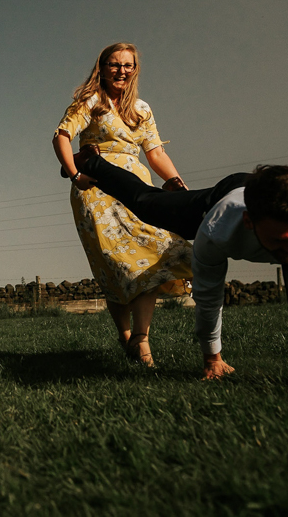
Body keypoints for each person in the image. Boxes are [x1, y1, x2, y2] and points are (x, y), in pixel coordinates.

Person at [70, 147, 288, 402]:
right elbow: (208, 295)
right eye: (280, 240)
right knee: (147, 206)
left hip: (263, 190)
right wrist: (212, 358)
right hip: (218, 200)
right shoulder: (217, 229)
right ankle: (92, 162)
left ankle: (177, 195)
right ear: (249, 223)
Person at [52, 43, 192, 366]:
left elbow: (155, 153)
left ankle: (141, 339)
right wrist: (75, 175)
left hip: (137, 189)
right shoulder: (91, 102)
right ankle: (126, 337)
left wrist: (177, 184)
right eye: (114, 65)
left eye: (128, 65)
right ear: (101, 69)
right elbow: (61, 136)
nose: (121, 71)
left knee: (154, 250)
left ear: (135, 70)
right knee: (115, 264)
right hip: (96, 188)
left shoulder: (141, 110)